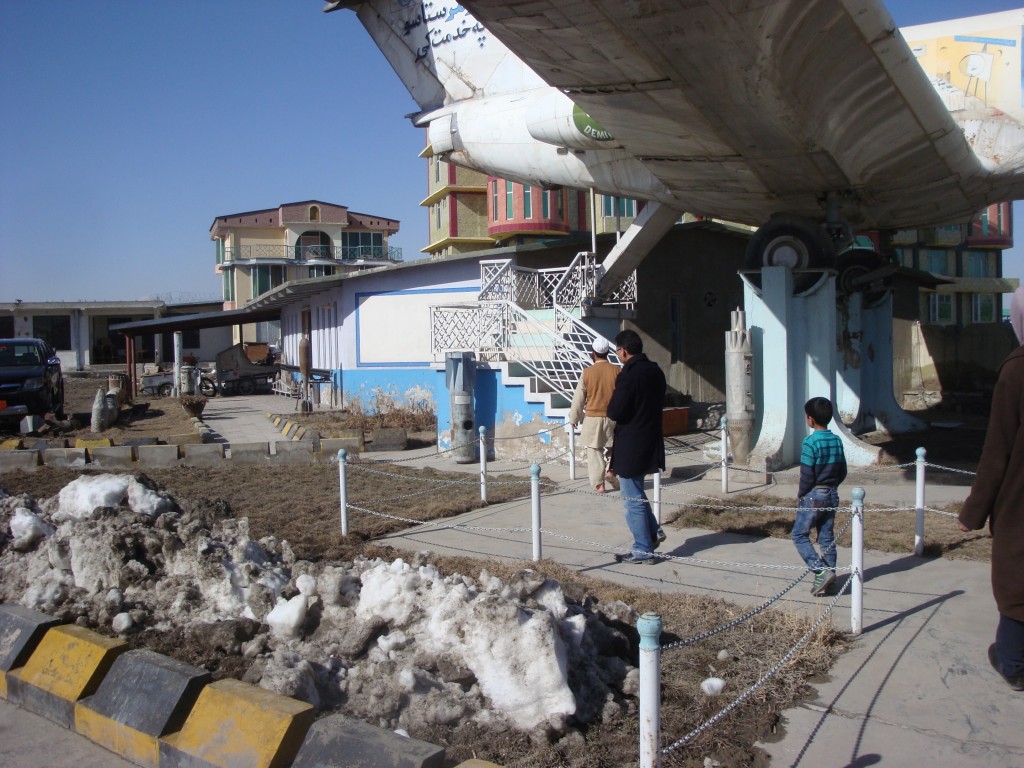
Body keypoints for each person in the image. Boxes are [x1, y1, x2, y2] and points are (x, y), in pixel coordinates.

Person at [957, 287, 1024, 691]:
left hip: (1020, 501)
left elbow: (997, 450)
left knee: (1017, 581)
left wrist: (973, 511)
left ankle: (1013, 663)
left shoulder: (1016, 370)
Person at [606, 329, 667, 564]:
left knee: (632, 499)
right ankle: (653, 532)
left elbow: (616, 411)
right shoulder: (655, 371)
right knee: (637, 493)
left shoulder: (629, 375)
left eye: (617, 350)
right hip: (650, 438)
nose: (617, 354)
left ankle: (643, 549)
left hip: (631, 442)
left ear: (623, 351)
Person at [794, 396, 847, 596]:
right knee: (826, 538)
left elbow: (807, 474)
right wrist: (833, 486)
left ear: (810, 419)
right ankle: (830, 582)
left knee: (799, 535)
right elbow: (843, 470)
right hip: (832, 493)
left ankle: (821, 571)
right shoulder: (837, 440)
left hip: (814, 494)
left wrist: (802, 494)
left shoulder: (810, 442)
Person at [568, 338, 620, 493]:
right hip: (613, 417)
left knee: (594, 450)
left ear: (593, 353)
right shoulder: (617, 371)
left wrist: (574, 418)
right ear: (608, 352)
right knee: (613, 447)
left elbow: (579, 398)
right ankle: (611, 471)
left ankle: (599, 484)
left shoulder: (587, 372)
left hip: (592, 418)